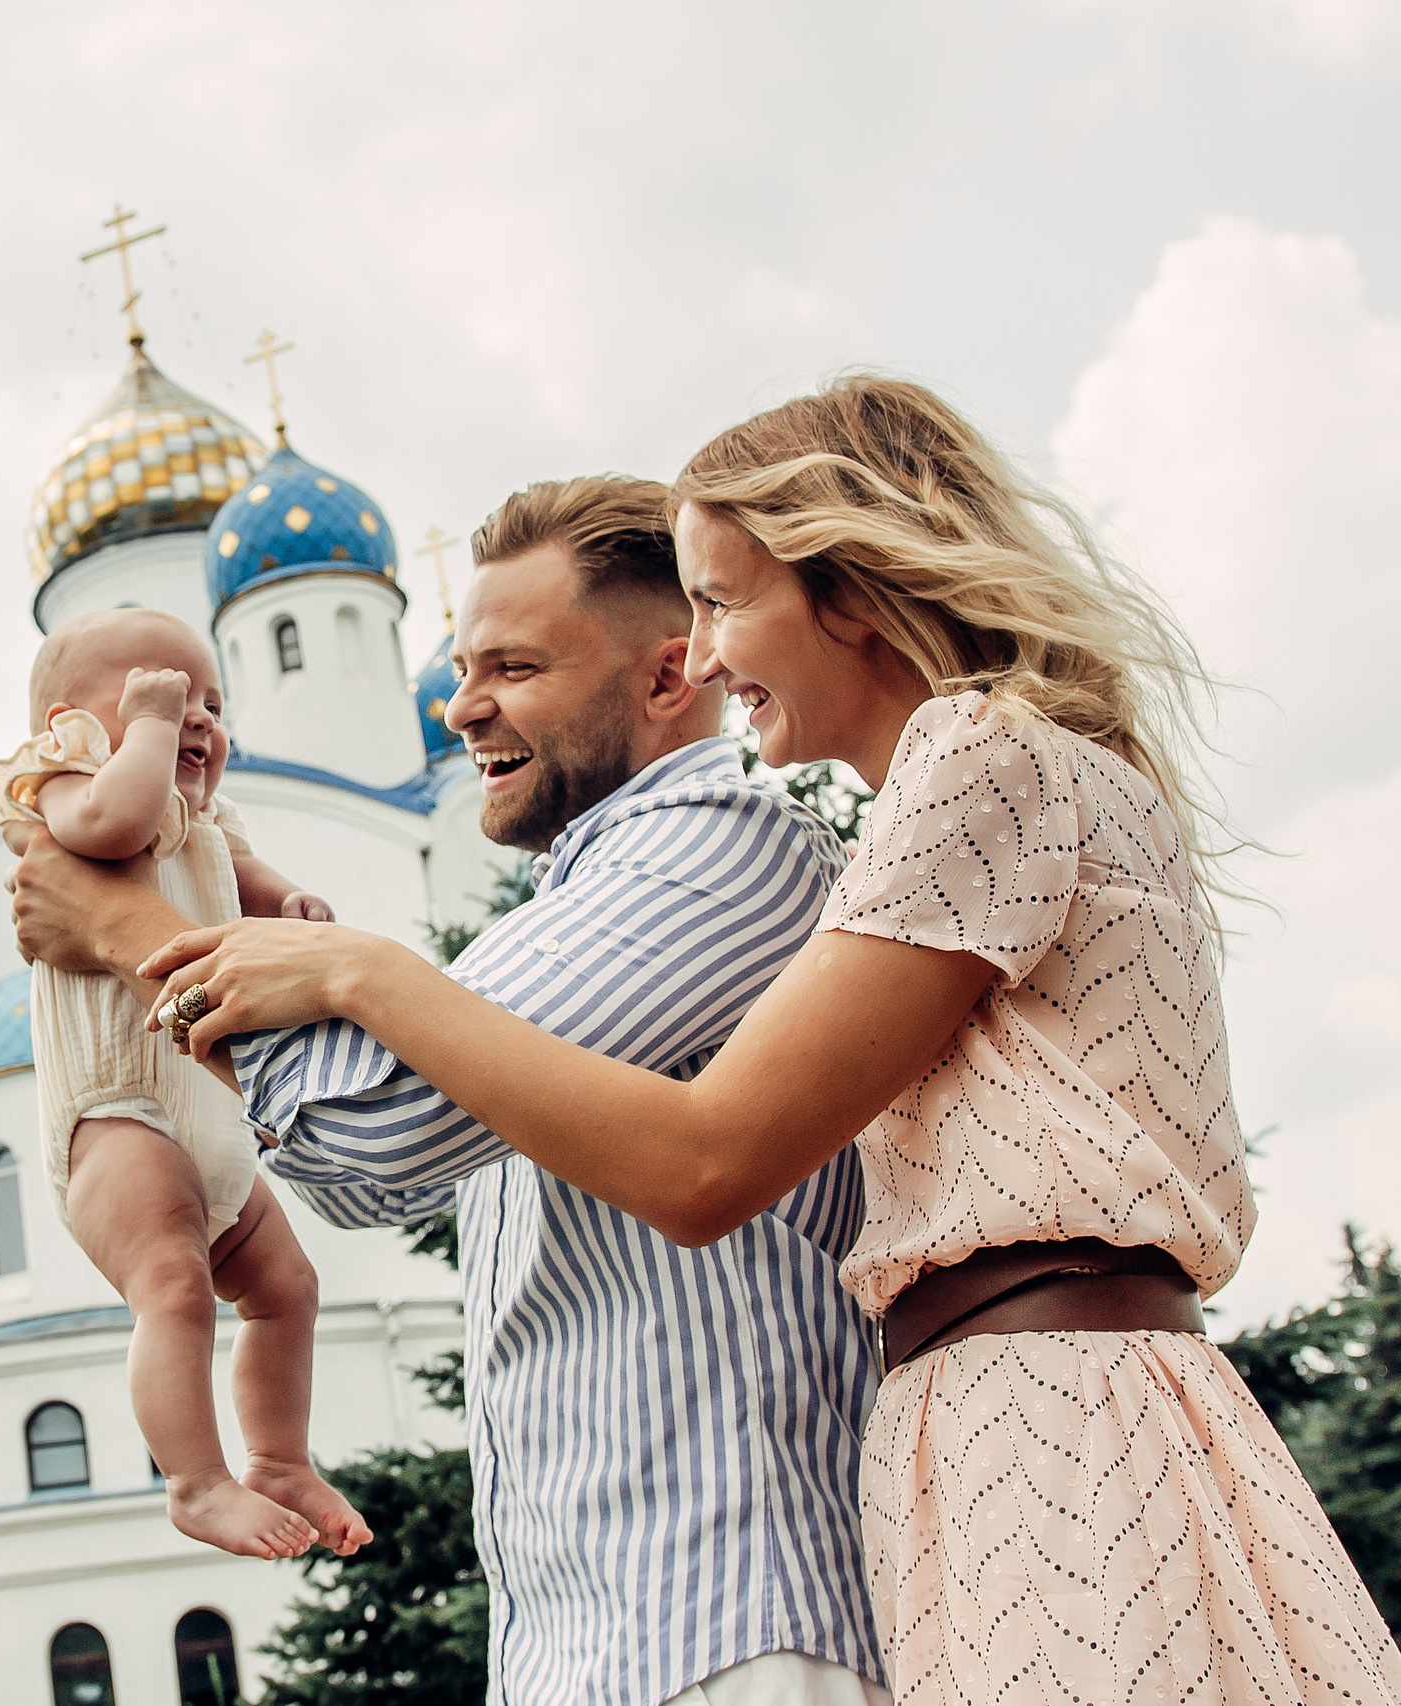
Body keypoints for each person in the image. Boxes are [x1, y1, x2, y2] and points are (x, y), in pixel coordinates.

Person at [134, 380, 1401, 1701]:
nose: (711, 654)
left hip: (1042, 1415)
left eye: (725, 602)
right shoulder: (969, 786)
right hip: (994, 1410)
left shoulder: (981, 752)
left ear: (849, 588)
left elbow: (703, 1163)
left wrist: (350, 967)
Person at [8, 478, 890, 1706]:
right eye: (464, 662)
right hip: (615, 1629)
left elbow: (371, 1133)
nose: (459, 702)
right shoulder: (586, 890)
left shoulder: (712, 841)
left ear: (667, 675)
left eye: (514, 667)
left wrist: (128, 928)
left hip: (730, 1610)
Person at [0, 607, 371, 1562]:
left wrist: (291, 906)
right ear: (70, 723)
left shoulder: (204, 816)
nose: (193, 719)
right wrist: (146, 736)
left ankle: (278, 1457)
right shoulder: (58, 785)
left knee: (287, 1288)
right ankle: (195, 1481)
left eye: (210, 704)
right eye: (160, 695)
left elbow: (241, 872)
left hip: (205, 1120)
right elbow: (114, 829)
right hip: (116, 1114)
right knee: (174, 1287)